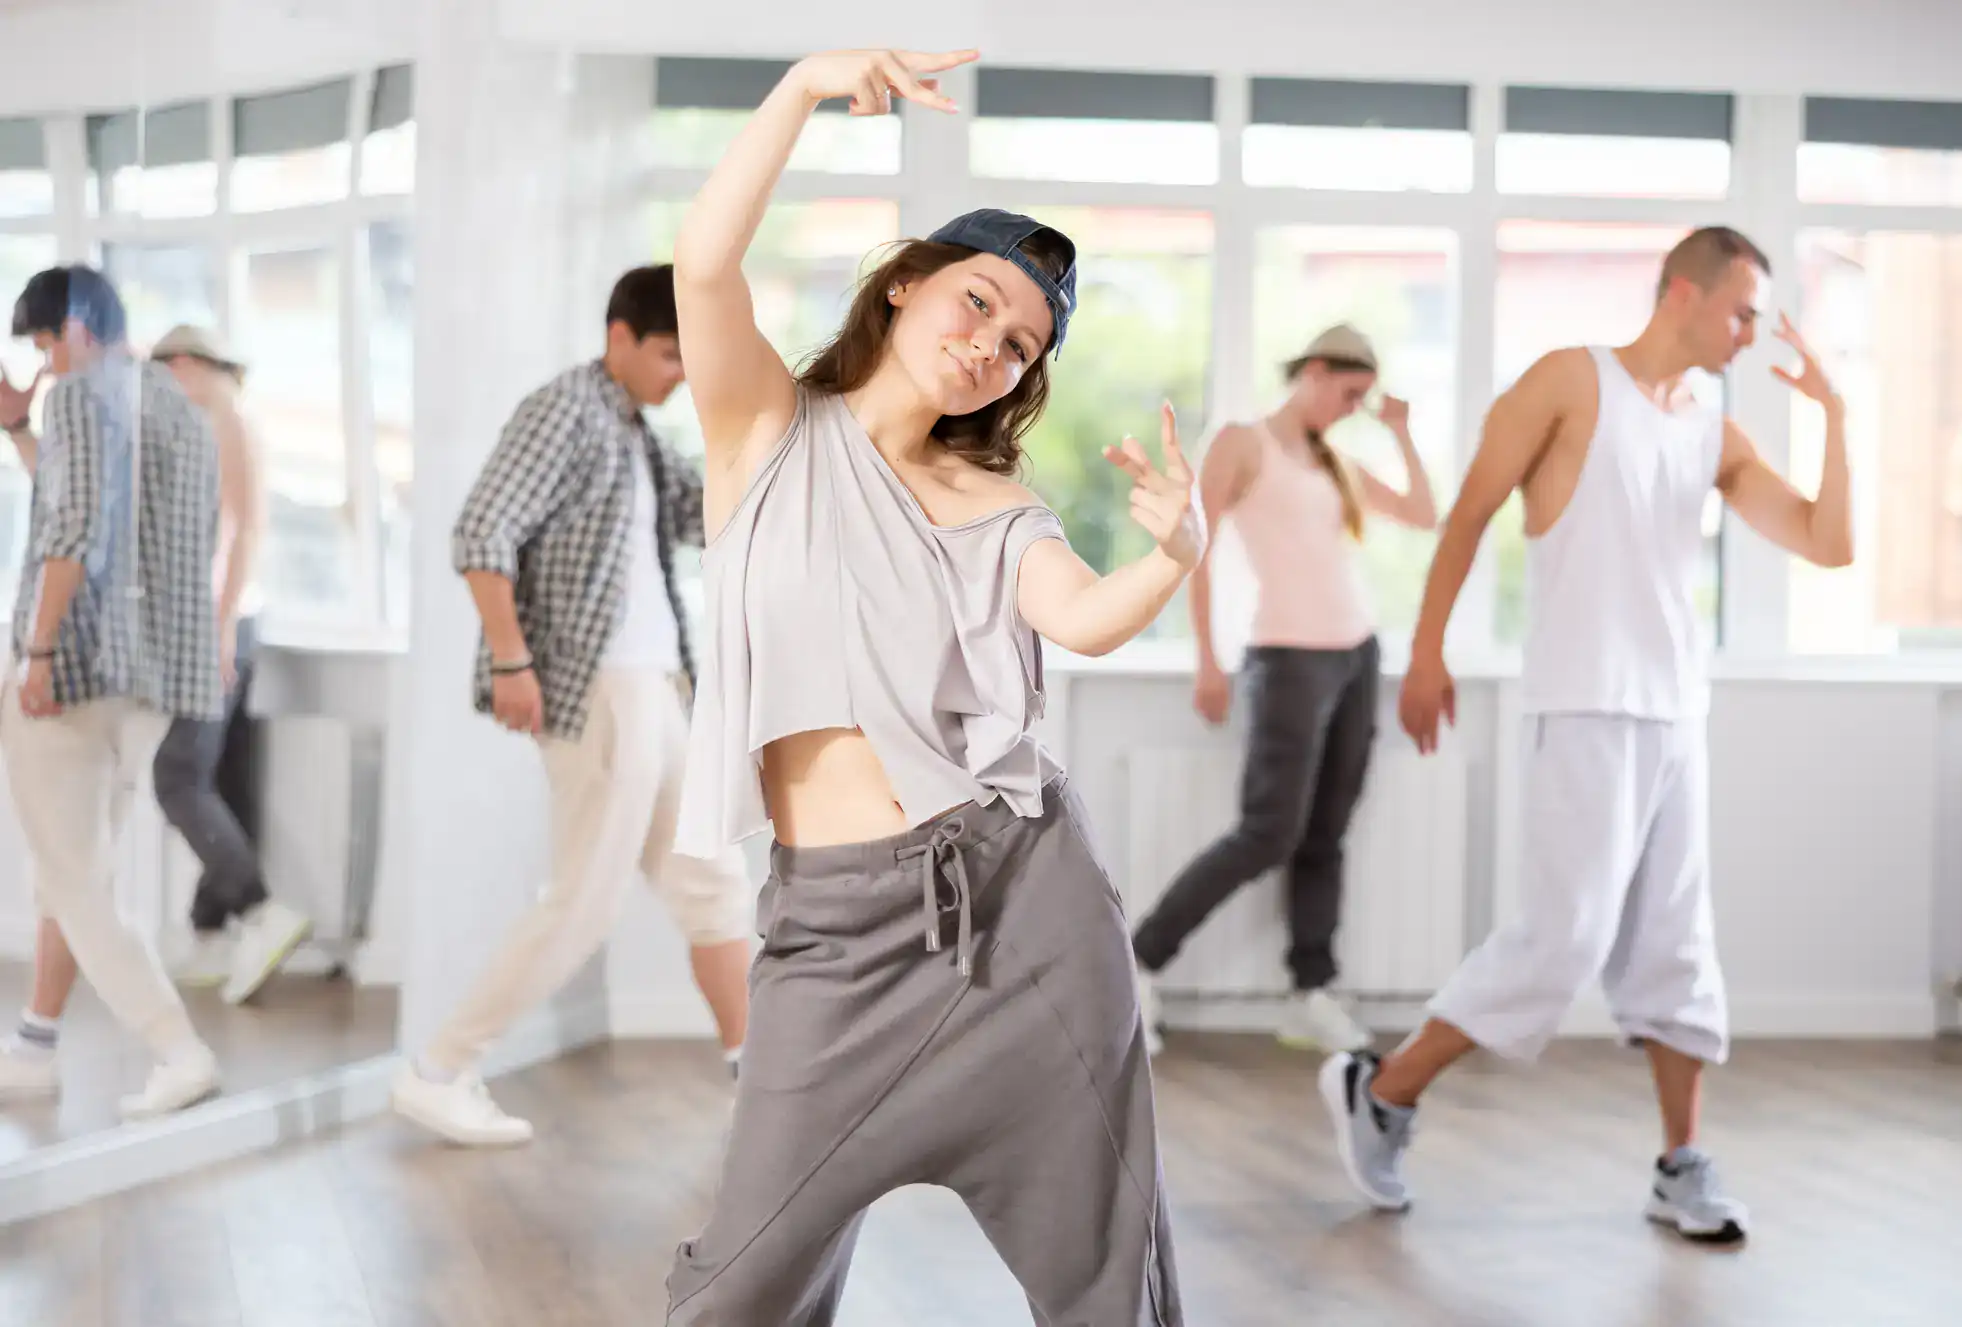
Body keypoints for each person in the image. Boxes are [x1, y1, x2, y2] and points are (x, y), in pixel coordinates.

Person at [662, 48, 1199, 1326]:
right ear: (903, 287)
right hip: (831, 937)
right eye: (974, 305)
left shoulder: (1000, 506)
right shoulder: (765, 431)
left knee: (1098, 1282)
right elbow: (703, 266)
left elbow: (1083, 617)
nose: (989, 350)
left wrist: (1173, 555)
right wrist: (801, 89)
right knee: (738, 1289)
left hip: (1021, 906)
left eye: (1019, 346)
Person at [1320, 226, 1853, 1247]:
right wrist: (1426, 653)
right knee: (1559, 942)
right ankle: (1382, 1090)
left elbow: (1828, 545)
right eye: (1743, 310)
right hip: (1581, 703)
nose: (1752, 332)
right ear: (1684, 294)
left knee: (1678, 949)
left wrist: (1836, 419)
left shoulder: (1715, 430)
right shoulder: (1570, 381)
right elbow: (1470, 513)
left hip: (1675, 713)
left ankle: (1679, 1163)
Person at [389, 264, 754, 1147]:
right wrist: (513, 660)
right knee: (583, 904)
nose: (679, 374)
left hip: (660, 686)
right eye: (670, 355)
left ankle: (766, 1091)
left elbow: (705, 519)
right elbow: (481, 531)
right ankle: (438, 1068)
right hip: (603, 690)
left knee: (715, 888)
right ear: (618, 337)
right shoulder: (567, 409)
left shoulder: (632, 426)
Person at [1130, 324, 1438, 1057]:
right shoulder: (1244, 442)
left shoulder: (1335, 460)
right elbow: (1193, 547)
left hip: (1355, 657)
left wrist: (1400, 432)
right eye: (1350, 393)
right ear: (1317, 370)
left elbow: (1425, 515)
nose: (1351, 408)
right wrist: (1207, 658)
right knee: (1267, 832)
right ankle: (1137, 961)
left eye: (1365, 400)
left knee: (1325, 835)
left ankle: (1311, 991)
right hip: (1286, 660)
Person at [0, 265, 226, 1118]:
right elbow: (87, 499)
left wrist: (39, 650)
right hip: (152, 679)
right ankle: (36, 1041)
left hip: (79, 670)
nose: (46, 361)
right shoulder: (173, 405)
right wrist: (21, 429)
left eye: (49, 340)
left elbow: (73, 525)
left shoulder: (86, 395)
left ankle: (177, 1047)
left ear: (83, 328)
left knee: (74, 876)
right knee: (75, 870)